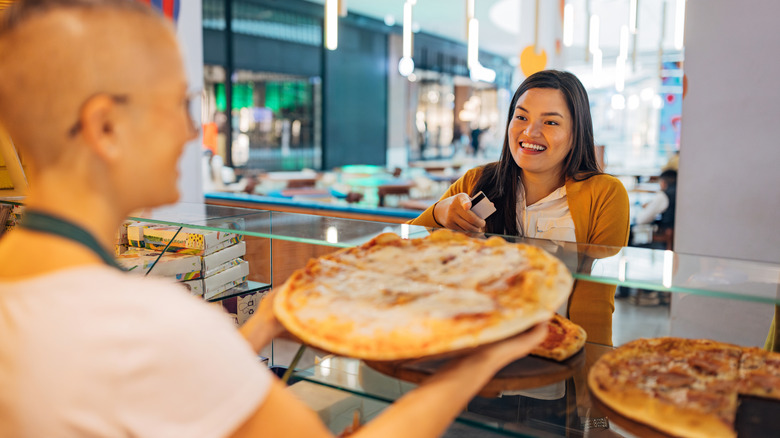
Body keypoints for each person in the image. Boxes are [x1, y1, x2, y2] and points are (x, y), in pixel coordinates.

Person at [0, 1, 546, 437]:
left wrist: (262, 322)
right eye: (181, 105)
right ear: (105, 128)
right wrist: (481, 361)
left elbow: (164, 385)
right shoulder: (147, 323)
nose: (194, 132)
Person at [411, 70, 630, 346]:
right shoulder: (477, 181)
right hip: (478, 355)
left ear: (577, 133)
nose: (530, 132)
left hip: (560, 362)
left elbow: (600, 292)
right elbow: (405, 249)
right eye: (521, 117)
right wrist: (440, 213)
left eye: (550, 122)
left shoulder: (605, 194)